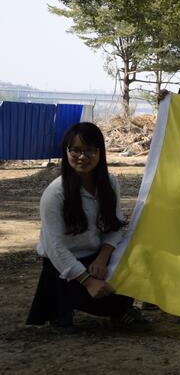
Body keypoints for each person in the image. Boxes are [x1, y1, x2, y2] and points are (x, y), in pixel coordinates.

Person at [26, 122, 144, 330]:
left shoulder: (110, 184)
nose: (82, 157)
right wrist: (88, 281)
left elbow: (114, 227)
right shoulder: (55, 193)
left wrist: (102, 258)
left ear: (100, 152)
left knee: (135, 263)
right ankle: (63, 308)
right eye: (76, 150)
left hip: (95, 258)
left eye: (90, 150)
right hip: (63, 263)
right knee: (72, 296)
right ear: (67, 152)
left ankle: (118, 308)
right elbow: (55, 247)